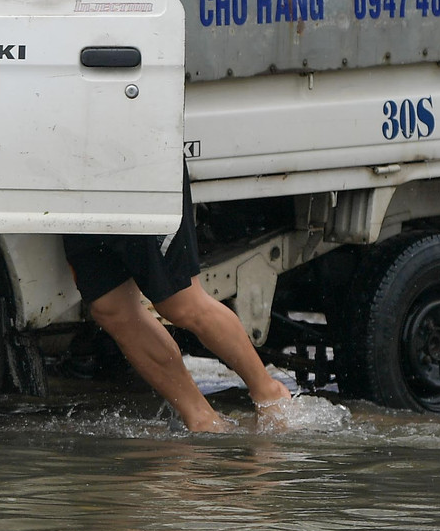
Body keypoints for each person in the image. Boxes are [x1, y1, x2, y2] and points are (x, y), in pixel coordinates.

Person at [64, 168, 292, 432]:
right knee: (111, 309)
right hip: (74, 176)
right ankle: (202, 418)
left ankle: (270, 394)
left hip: (139, 166)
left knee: (180, 302)